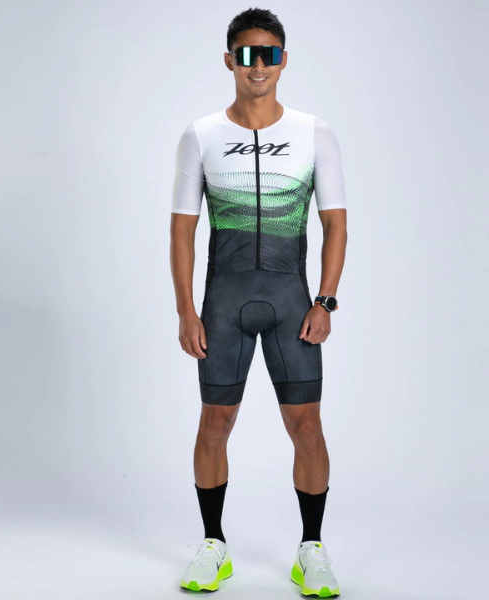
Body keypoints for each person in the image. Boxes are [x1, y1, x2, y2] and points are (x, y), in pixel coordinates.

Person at [170, 7, 347, 597]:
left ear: (283, 60)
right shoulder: (200, 135)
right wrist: (186, 310)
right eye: (246, 55)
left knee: (307, 427)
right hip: (223, 304)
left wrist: (325, 301)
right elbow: (181, 229)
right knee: (214, 424)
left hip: (292, 303)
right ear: (229, 60)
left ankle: (312, 549)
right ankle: (213, 546)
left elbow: (335, 223)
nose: (257, 66)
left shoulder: (314, 132)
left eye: (268, 54)